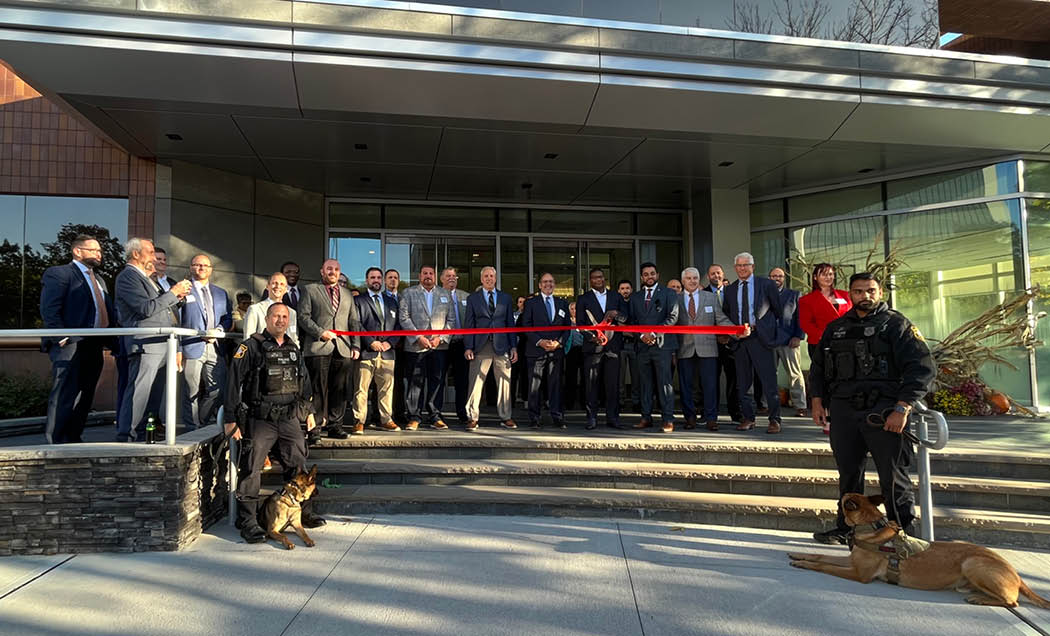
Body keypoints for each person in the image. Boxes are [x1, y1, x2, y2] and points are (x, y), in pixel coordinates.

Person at [809, 272, 936, 545]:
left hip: (884, 411)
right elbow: (818, 368)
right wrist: (817, 401)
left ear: (880, 293)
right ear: (850, 295)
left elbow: (922, 368)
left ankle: (901, 534)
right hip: (844, 411)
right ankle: (847, 529)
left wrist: (902, 408)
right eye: (858, 291)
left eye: (870, 290)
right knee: (849, 475)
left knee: (893, 478)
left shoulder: (896, 325)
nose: (864, 296)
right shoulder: (837, 327)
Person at [224, 302, 325, 543]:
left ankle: (303, 513)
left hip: (289, 418)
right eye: (276, 316)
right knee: (251, 469)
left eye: (284, 317)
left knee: (298, 467)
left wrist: (309, 411)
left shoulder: (293, 348)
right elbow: (232, 383)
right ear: (267, 319)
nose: (280, 320)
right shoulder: (249, 347)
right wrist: (230, 419)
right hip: (260, 419)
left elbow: (305, 382)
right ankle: (249, 520)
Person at [39, 234, 117, 444]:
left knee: (85, 394)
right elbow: (49, 309)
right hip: (70, 344)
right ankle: (55, 442)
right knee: (64, 394)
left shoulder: (99, 280)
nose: (99, 255)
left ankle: (74, 438)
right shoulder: (60, 274)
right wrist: (62, 337)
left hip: (94, 344)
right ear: (77, 251)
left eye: (100, 251)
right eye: (94, 250)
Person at [115, 238, 192, 442]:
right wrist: (173, 293)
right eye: (150, 252)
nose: (154, 257)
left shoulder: (150, 279)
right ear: (136, 255)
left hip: (162, 344)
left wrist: (178, 297)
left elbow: (163, 308)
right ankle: (127, 437)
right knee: (139, 394)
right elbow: (145, 309)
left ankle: (143, 435)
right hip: (145, 343)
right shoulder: (128, 277)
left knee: (153, 397)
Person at [297, 259, 361, 440]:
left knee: (339, 389)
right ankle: (315, 428)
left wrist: (355, 345)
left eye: (336, 269)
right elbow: (303, 317)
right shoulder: (309, 290)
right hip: (318, 347)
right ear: (322, 271)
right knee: (317, 390)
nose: (333, 272)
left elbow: (354, 321)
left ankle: (335, 426)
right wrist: (320, 332)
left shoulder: (347, 294)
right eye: (329, 269)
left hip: (343, 348)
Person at [723, 252, 783, 434]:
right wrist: (735, 333)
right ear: (735, 268)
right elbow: (727, 314)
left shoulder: (766, 285)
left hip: (761, 339)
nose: (742, 268)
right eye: (739, 266)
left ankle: (774, 419)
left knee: (768, 381)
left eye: (746, 265)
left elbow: (778, 311)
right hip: (741, 341)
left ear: (753, 266)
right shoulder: (731, 289)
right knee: (743, 382)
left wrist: (769, 332)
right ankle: (748, 418)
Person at [177, 254, 232, 431]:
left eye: (205, 265)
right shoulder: (183, 290)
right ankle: (191, 428)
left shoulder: (221, 293)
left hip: (215, 347)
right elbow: (175, 320)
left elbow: (227, 318)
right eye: (197, 265)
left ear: (211, 269)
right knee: (191, 391)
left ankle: (202, 420)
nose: (201, 268)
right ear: (191, 268)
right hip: (191, 346)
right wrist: (178, 348)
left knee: (218, 389)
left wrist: (219, 330)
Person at [677, 267, 734, 431]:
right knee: (686, 385)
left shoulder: (710, 297)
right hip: (684, 348)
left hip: (708, 348)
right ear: (683, 281)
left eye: (695, 278)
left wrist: (737, 331)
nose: (692, 281)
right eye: (689, 278)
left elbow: (721, 319)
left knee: (710, 385)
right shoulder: (675, 299)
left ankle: (711, 418)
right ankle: (689, 418)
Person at [399, 265, 454, 430]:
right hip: (416, 346)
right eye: (425, 273)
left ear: (435, 277)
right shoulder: (408, 293)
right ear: (419, 276)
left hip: (439, 347)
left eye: (431, 273)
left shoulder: (444, 294)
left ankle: (435, 415)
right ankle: (414, 416)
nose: (428, 276)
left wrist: (441, 338)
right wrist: (418, 337)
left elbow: (451, 320)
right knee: (415, 382)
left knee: (436, 381)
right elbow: (404, 317)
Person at [463, 266, 517, 430]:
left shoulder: (505, 298)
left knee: (504, 383)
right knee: (476, 383)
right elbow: (469, 324)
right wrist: (468, 347)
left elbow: (510, 324)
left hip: (502, 346)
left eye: (491, 276)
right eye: (486, 276)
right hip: (481, 346)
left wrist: (513, 346)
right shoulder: (473, 298)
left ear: (495, 278)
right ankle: (472, 417)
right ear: (481, 279)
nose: (489, 279)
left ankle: (506, 416)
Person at [628, 262, 679, 433]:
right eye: (646, 274)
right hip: (642, 347)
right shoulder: (635, 297)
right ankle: (645, 417)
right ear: (642, 277)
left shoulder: (669, 293)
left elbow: (672, 317)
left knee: (664, 383)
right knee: (645, 384)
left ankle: (667, 419)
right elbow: (632, 322)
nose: (649, 277)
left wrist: (654, 334)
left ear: (657, 275)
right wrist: (642, 335)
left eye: (652, 273)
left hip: (662, 346)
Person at [351, 267, 402, 434]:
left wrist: (390, 343)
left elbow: (398, 326)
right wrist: (371, 342)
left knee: (386, 388)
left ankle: (386, 419)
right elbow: (357, 324)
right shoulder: (359, 300)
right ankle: (359, 420)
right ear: (367, 280)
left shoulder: (391, 301)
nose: (376, 280)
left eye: (379, 277)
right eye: (373, 277)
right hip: (367, 351)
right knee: (361, 389)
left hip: (387, 352)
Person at [577, 267, 627, 430]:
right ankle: (591, 417)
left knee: (612, 385)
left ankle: (613, 417)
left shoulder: (616, 296)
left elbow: (625, 318)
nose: (598, 280)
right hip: (592, 348)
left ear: (604, 278)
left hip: (612, 347)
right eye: (594, 278)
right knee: (591, 384)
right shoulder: (583, 299)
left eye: (600, 277)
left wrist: (616, 314)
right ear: (590, 281)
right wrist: (591, 338)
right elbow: (580, 323)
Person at [519, 272, 570, 429]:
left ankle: (557, 416)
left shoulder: (562, 303)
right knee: (535, 385)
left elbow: (567, 327)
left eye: (551, 281)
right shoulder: (531, 303)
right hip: (536, 351)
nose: (548, 284)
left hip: (556, 351)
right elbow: (526, 326)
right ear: (540, 285)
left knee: (555, 385)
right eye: (545, 282)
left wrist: (559, 343)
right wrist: (540, 342)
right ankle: (535, 417)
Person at [768, 267, 808, 417]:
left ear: (784, 279)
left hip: (789, 340)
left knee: (794, 374)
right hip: (769, 340)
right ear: (769, 278)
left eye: (779, 276)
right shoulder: (763, 294)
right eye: (773, 276)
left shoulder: (794, 295)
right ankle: (766, 404)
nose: (776, 278)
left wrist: (798, 336)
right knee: (769, 374)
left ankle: (800, 405)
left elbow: (800, 318)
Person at [705, 264, 741, 423]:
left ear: (723, 274)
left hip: (731, 343)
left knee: (733, 379)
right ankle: (710, 414)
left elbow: (737, 315)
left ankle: (735, 412)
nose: (716, 276)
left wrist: (728, 334)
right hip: (710, 343)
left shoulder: (733, 292)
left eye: (718, 273)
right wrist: (717, 334)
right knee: (710, 379)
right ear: (708, 277)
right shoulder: (702, 294)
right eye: (712, 274)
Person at [440, 267, 471, 426]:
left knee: (462, 381)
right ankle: (436, 413)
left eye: (454, 276)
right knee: (438, 379)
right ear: (442, 279)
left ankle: (462, 413)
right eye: (448, 276)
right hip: (442, 344)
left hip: (461, 344)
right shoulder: (436, 295)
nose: (452, 278)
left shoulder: (466, 296)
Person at [244, 272, 299, 345]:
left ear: (286, 289)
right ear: (267, 286)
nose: (278, 286)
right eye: (274, 283)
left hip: (285, 354)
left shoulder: (292, 313)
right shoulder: (255, 309)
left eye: (282, 284)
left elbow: (293, 338)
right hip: (261, 353)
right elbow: (248, 337)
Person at [384, 268, 406, 423]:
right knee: (383, 381)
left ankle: (399, 413)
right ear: (385, 281)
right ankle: (379, 415)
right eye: (390, 277)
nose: (393, 280)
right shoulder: (381, 298)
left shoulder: (404, 298)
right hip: (386, 346)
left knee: (399, 382)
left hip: (403, 346)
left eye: (396, 277)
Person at [616, 279, 640, 413]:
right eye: (622, 288)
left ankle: (636, 401)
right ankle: (620, 401)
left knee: (636, 376)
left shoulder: (635, 303)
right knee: (620, 376)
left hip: (634, 344)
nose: (625, 291)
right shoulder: (616, 304)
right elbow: (616, 323)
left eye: (627, 288)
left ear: (631, 290)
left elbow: (637, 322)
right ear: (619, 290)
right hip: (620, 344)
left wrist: (627, 329)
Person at [563, 301, 585, 412]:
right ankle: (569, 403)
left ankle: (584, 403)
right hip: (570, 351)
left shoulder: (583, 321)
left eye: (576, 308)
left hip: (584, 350)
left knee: (585, 378)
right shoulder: (567, 322)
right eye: (572, 309)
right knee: (570, 377)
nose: (574, 311)